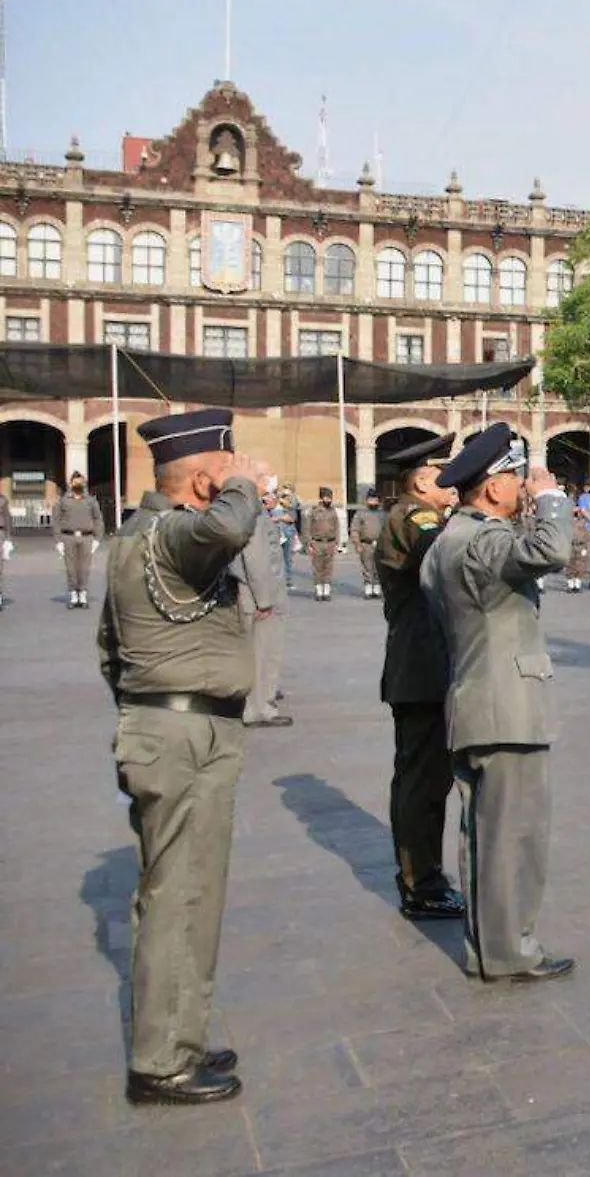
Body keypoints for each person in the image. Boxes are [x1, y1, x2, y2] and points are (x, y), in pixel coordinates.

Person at [98, 408, 259, 1104]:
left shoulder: (134, 540)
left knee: (185, 896)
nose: (233, 480)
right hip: (185, 738)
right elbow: (230, 525)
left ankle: (180, 1035)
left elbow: (109, 652)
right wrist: (244, 483)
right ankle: (162, 1059)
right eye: (223, 472)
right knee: (180, 898)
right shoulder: (173, 535)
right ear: (201, 478)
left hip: (161, 730)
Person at [420, 423, 575, 981]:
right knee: (515, 837)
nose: (521, 488)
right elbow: (552, 550)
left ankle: (494, 947)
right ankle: (510, 952)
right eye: (515, 478)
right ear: (491, 487)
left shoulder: (445, 542)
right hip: (508, 706)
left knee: (487, 837)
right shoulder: (482, 539)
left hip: (475, 698)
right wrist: (553, 499)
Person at [374, 432, 467, 922]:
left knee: (429, 780)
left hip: (426, 664)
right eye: (442, 477)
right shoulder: (416, 516)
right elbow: (445, 558)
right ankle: (421, 884)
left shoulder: (417, 513)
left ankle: (425, 876)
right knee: (421, 782)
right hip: (421, 666)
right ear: (422, 480)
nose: (451, 485)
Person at [232, 474, 291, 730]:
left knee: (258, 654)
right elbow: (256, 559)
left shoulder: (249, 513)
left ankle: (255, 706)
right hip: (260, 598)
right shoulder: (255, 516)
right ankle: (259, 709)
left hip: (254, 595)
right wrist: (264, 601)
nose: (273, 490)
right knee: (264, 654)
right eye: (268, 485)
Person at [55, 471, 105, 608]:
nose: (78, 484)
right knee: (71, 568)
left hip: (86, 537)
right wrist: (58, 540)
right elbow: (57, 520)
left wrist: (97, 538)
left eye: (81, 482)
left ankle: (82, 594)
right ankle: (73, 595)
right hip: (68, 537)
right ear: (71, 484)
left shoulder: (91, 501)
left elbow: (98, 519)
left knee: (84, 568)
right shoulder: (63, 500)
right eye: (76, 482)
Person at [304, 486, 342, 601]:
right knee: (318, 568)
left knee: (328, 568)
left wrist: (337, 542)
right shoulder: (313, 511)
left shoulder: (333, 511)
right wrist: (309, 543)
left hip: (330, 542)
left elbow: (337, 527)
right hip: (317, 543)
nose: (328, 500)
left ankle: (327, 591)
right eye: (326, 497)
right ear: (321, 498)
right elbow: (307, 528)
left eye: (330, 498)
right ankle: (319, 591)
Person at [350, 491, 387, 599]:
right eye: (370, 499)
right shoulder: (360, 513)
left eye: (375, 500)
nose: (373, 502)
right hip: (366, 544)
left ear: (378, 501)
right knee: (367, 567)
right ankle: (368, 588)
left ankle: (376, 589)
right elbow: (355, 529)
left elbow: (388, 530)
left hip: (380, 545)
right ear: (366, 500)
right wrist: (357, 543)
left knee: (378, 568)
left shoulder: (383, 514)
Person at [564, 484, 590, 593]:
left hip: (580, 545)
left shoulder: (582, 522)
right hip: (570, 545)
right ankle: (570, 585)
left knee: (580, 565)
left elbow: (586, 534)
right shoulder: (566, 521)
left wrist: (585, 547)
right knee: (570, 565)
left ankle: (577, 584)